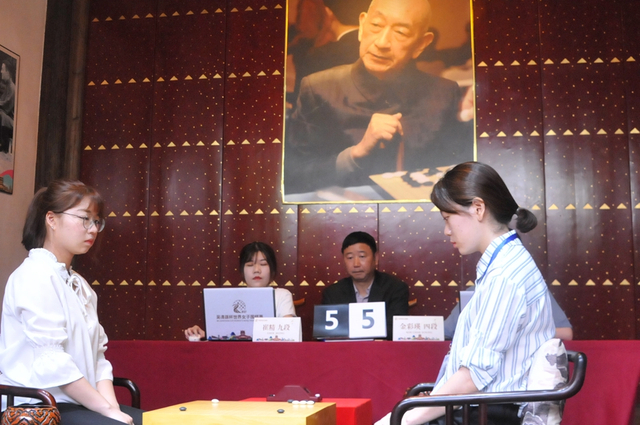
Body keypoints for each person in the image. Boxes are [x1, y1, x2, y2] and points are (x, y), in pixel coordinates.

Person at [378, 162, 556, 425]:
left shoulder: (504, 275)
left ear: (478, 208)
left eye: (447, 218)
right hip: (477, 408)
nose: (446, 230)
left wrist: (400, 420)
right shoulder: (505, 263)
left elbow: (473, 376)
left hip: (486, 414)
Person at [284, 0, 473, 194]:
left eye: (400, 32)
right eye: (376, 25)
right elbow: (292, 178)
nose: (382, 43)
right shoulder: (319, 88)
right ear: (362, 26)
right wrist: (355, 153)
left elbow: (461, 174)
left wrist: (473, 121)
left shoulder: (444, 93)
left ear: (421, 44)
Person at [0, 180, 143, 425]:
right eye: (85, 218)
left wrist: (112, 409)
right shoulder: (33, 275)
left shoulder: (80, 285)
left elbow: (98, 359)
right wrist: (107, 412)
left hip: (79, 403)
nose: (93, 229)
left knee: (158, 420)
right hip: (38, 405)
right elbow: (53, 362)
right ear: (52, 220)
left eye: (96, 221)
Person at [184, 242, 296, 340]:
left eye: (263, 264)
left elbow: (288, 333)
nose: (257, 270)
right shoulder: (230, 298)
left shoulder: (282, 295)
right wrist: (203, 334)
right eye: (250, 265)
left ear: (272, 269)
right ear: (242, 271)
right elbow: (224, 335)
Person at [321, 231, 409, 339]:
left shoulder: (395, 288)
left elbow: (395, 329)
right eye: (350, 258)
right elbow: (327, 334)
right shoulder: (332, 293)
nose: (356, 264)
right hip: (346, 349)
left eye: (362, 256)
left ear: (375, 258)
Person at [443, 287, 573, 340]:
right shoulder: (475, 292)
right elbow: (444, 333)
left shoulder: (535, 292)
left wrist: (518, 331)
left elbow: (566, 334)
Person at [0, 58, 16, 154]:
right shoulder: (8, 86)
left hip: (11, 121)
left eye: (3, 69)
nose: (1, 72)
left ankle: (3, 144)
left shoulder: (12, 88)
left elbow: (6, 107)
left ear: (8, 72)